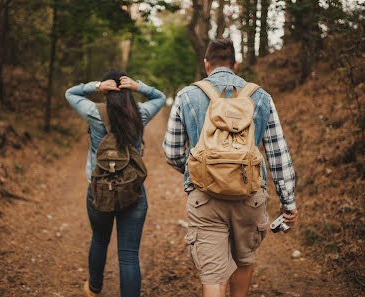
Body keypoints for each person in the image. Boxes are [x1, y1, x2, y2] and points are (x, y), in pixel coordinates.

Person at [162, 38, 298, 297]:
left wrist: (200, 172)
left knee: (212, 274)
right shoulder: (260, 96)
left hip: (205, 199)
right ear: (236, 64)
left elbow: (172, 152)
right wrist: (287, 200)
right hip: (249, 197)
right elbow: (277, 154)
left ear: (206, 64)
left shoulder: (187, 95)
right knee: (244, 261)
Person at [65, 69, 166, 297]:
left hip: (99, 191)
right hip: (133, 191)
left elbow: (70, 93)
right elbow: (159, 97)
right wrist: (140, 87)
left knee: (100, 239)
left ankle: (94, 288)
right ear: (128, 92)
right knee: (129, 255)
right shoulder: (140, 113)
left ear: (106, 91)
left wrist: (95, 87)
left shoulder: (93, 111)